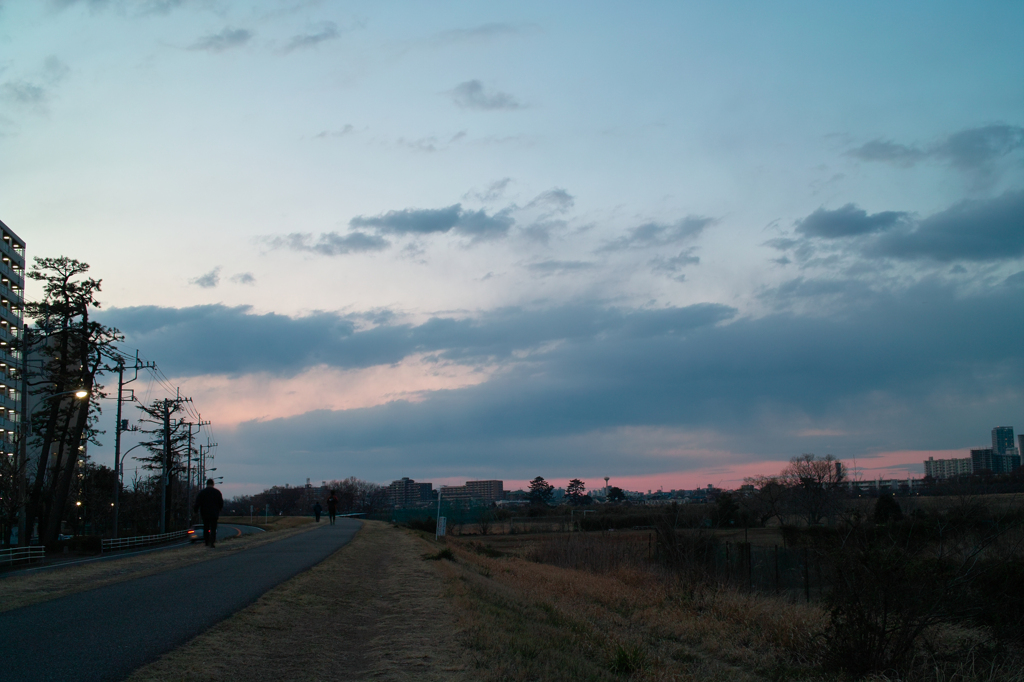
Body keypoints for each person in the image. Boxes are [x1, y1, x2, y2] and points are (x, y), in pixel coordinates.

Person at [193, 478, 224, 547]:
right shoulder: (217, 492)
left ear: (207, 484)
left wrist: (195, 511)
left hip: (205, 513)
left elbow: (197, 503)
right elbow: (221, 503)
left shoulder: (202, 492)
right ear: (213, 484)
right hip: (214, 513)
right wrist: (219, 509)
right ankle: (212, 542)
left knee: (206, 528)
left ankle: (207, 542)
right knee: (213, 528)